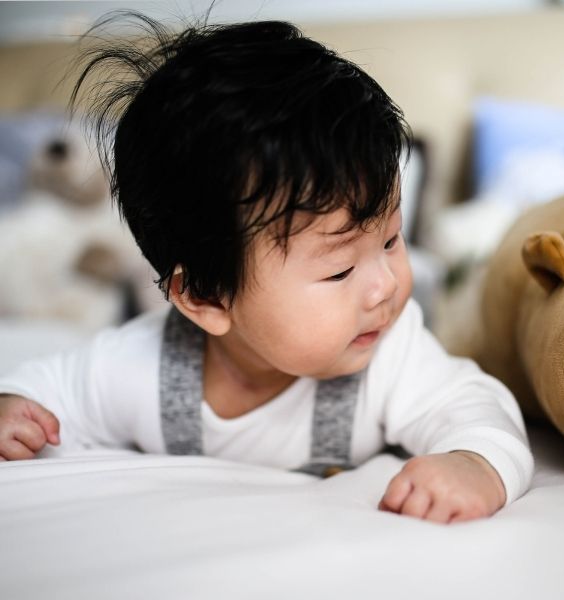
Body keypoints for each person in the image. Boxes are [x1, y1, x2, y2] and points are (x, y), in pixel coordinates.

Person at [0, 16, 533, 523]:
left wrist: (473, 463)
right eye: (340, 270)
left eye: (392, 241)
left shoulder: (390, 354)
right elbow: (44, 395)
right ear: (206, 297)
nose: (386, 285)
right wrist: (14, 411)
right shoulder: (139, 367)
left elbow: (477, 409)